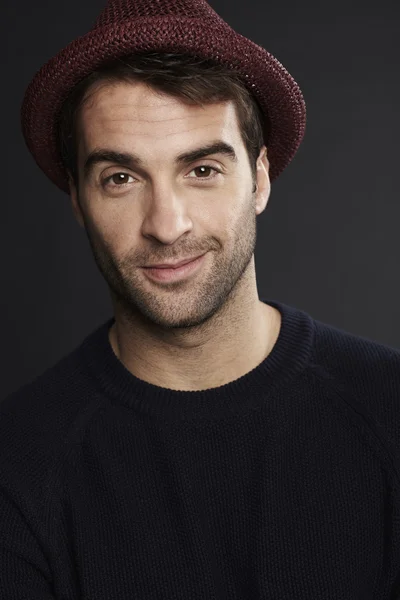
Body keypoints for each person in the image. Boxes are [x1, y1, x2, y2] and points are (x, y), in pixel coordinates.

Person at [1, 0, 399, 597]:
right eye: (121, 178)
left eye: (203, 169)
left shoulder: (389, 412)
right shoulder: (17, 466)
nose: (166, 224)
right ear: (79, 202)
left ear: (259, 178)